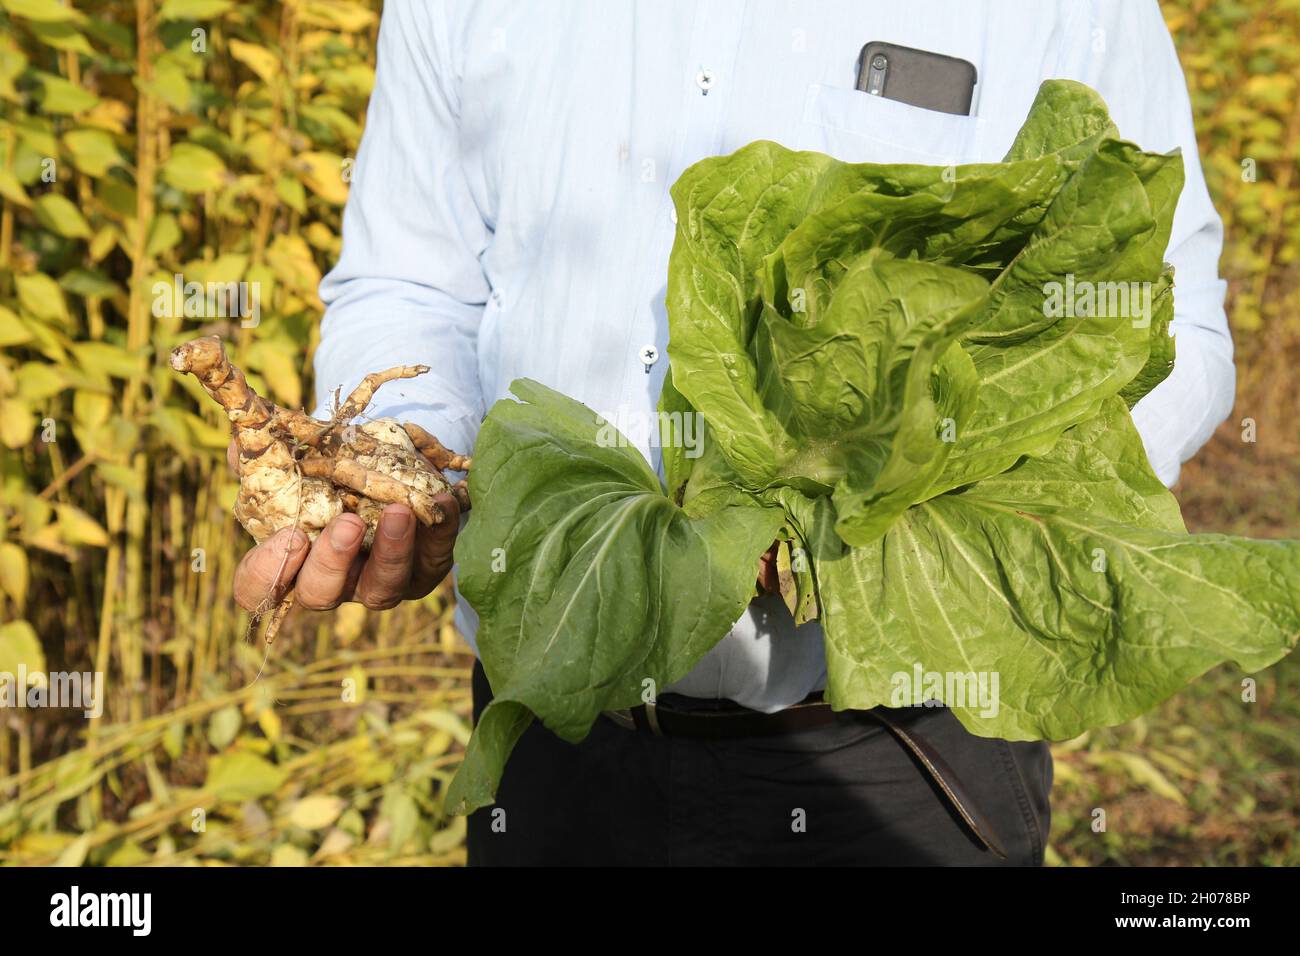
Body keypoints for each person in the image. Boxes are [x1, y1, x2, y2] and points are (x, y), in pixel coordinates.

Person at [232, 0, 1233, 865]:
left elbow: (1164, 325)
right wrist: (409, 461)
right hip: (553, 735)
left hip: (900, 759)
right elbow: (413, 282)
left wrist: (882, 518)